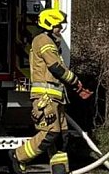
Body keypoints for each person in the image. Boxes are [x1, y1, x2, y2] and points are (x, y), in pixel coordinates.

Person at [9, 9, 93, 174]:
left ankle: (59, 169)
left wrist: (74, 86)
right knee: (50, 132)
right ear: (49, 24)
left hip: (56, 97)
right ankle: (18, 156)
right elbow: (55, 67)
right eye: (58, 25)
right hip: (45, 98)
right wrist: (75, 81)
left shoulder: (51, 42)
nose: (61, 28)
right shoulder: (43, 40)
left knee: (62, 136)